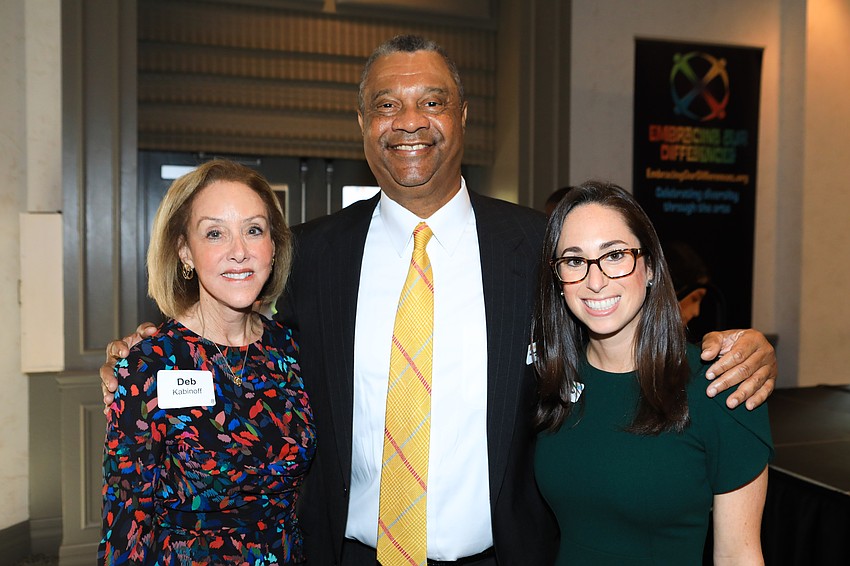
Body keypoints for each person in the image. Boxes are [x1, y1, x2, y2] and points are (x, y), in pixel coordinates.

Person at [101, 36, 778, 565]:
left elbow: (612, 323)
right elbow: (235, 338)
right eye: (386, 105)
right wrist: (148, 353)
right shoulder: (310, 255)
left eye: (432, 101)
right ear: (362, 122)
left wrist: (738, 348)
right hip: (349, 554)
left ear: (461, 116)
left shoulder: (537, 248)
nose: (409, 122)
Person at [533, 180, 773, 565]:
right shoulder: (548, 379)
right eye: (574, 261)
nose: (595, 281)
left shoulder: (722, 385)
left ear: (648, 267)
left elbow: (738, 555)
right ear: (558, 279)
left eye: (615, 255)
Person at [98, 160, 316, 565]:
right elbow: (126, 526)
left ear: (273, 246)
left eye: (254, 230)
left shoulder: (291, 350)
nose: (239, 251)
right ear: (185, 251)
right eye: (215, 233)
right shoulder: (148, 366)